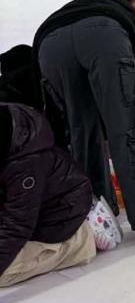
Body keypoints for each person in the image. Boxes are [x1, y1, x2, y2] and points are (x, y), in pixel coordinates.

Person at [34, 0, 135, 242]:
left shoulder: (88, 9)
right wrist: (134, 100)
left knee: (81, 133)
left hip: (49, 45)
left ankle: (97, 214)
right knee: (127, 130)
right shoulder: (130, 21)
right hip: (103, 39)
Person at [0, 102, 122, 288]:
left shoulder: (24, 164)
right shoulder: (11, 133)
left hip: (60, 215)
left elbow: (17, 225)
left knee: (5, 273)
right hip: (32, 208)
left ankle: (83, 239)